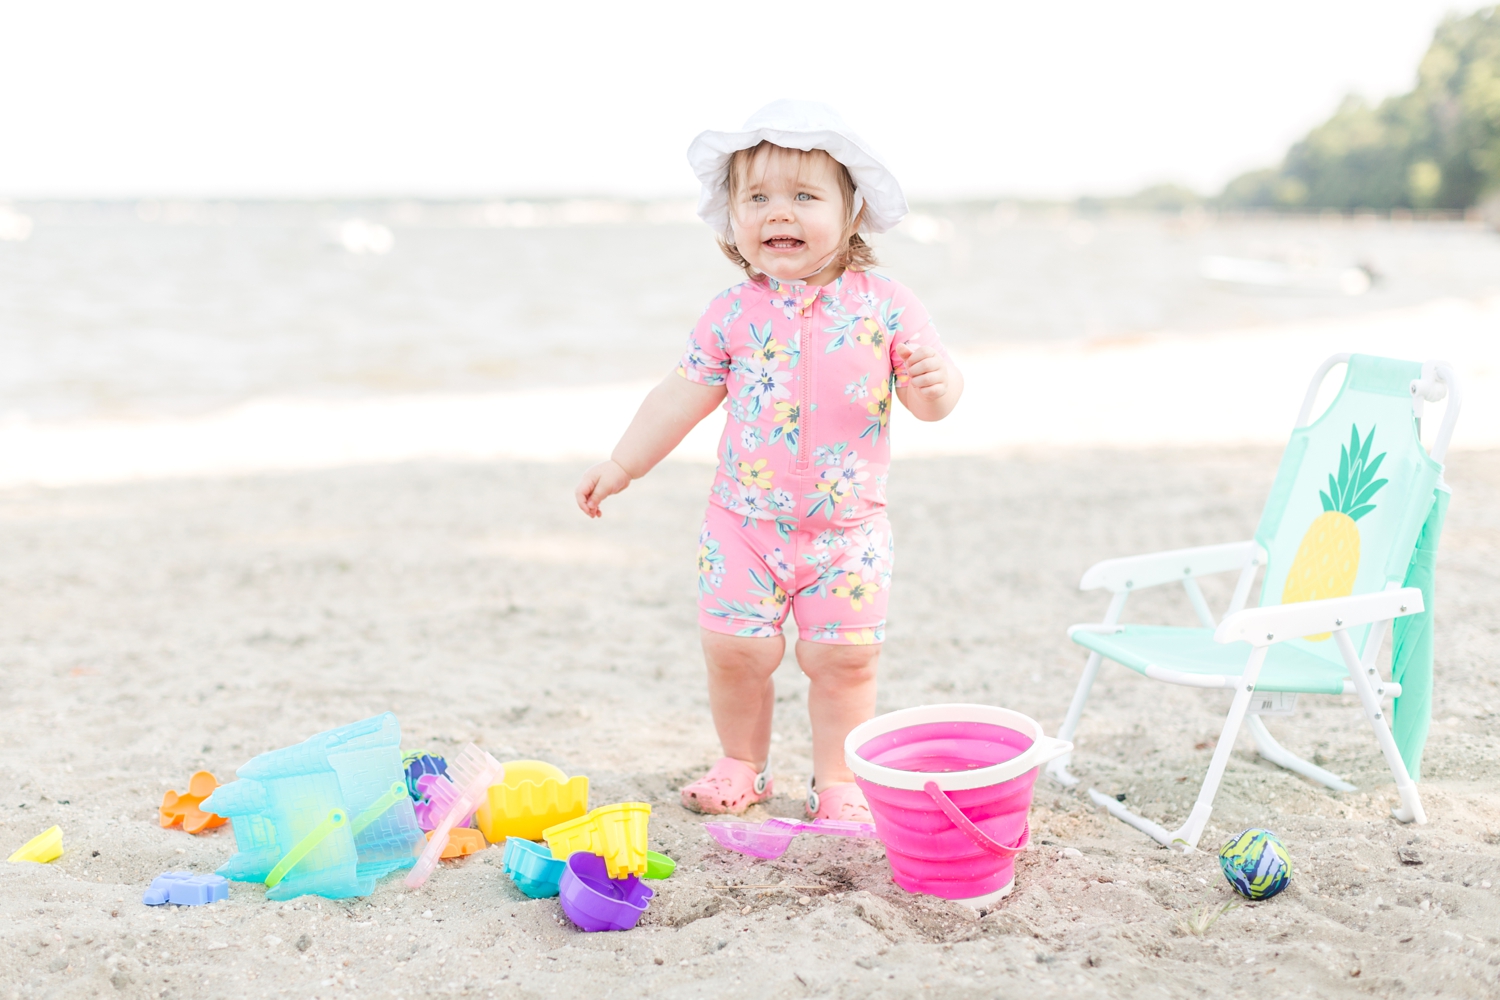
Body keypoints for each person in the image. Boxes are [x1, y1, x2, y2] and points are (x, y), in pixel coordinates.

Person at [574, 100, 963, 822]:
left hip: (848, 533)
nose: (776, 212)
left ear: (853, 213)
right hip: (742, 526)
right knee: (734, 652)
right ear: (732, 218)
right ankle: (741, 765)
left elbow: (931, 397)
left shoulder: (886, 306)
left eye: (803, 196)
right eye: (756, 197)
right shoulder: (731, 313)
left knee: (844, 663)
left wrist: (938, 386)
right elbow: (677, 397)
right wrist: (623, 465)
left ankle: (838, 783)